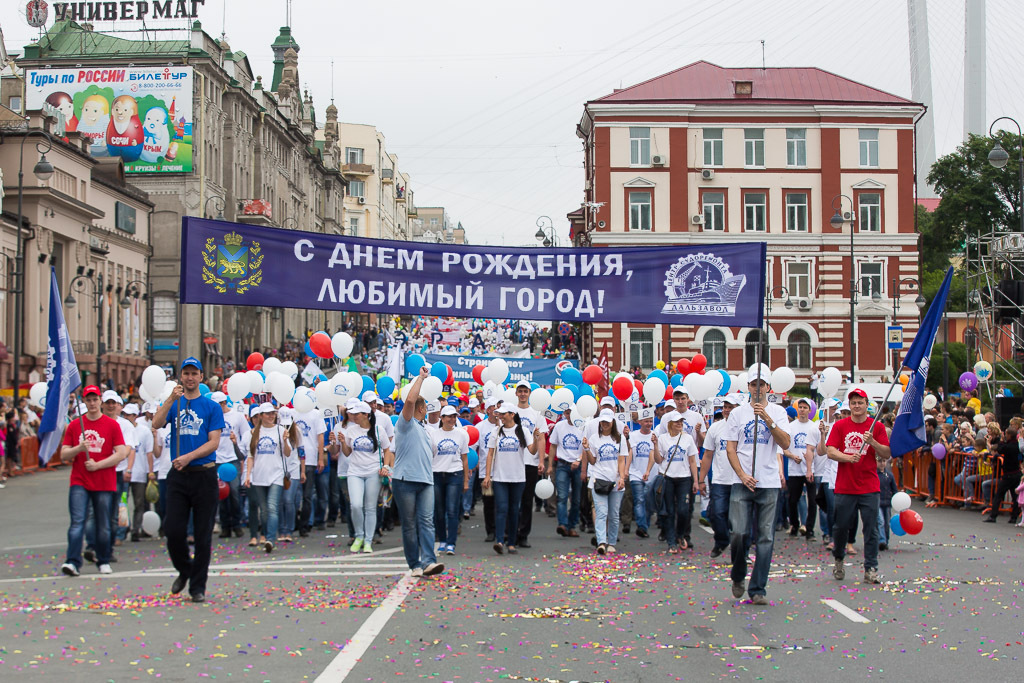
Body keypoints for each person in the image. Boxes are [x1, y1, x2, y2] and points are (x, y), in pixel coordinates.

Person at [151, 357, 225, 603]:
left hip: (203, 473)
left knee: (203, 535)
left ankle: (197, 587)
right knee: (173, 530)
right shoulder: (175, 403)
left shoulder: (211, 407)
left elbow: (213, 442)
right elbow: (156, 423)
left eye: (194, 373)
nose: (190, 378)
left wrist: (188, 456)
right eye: (186, 374)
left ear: (201, 377)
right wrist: (171, 399)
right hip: (179, 476)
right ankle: (185, 569)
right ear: (181, 377)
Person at [725, 365, 791, 605]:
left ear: (768, 387)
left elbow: (785, 443)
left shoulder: (778, 411)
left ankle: (758, 588)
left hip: (769, 482)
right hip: (742, 483)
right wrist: (742, 474)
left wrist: (768, 419)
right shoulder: (738, 414)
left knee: (766, 538)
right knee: (739, 533)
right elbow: (730, 448)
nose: (758, 388)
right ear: (748, 387)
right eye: (754, 384)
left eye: (762, 384)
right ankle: (738, 574)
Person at [59, 385, 128, 576]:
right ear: (84, 402)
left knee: (103, 523)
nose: (92, 403)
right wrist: (78, 449)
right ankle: (72, 561)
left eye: (95, 399)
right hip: (80, 480)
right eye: (88, 400)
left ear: (100, 401)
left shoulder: (112, 425)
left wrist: (99, 465)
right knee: (77, 522)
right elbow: (64, 454)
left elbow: (121, 452)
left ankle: (103, 559)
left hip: (104, 480)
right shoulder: (75, 425)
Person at [826, 388, 891, 585]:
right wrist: (847, 457)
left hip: (869, 486)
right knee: (841, 527)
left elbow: (886, 453)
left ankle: (871, 568)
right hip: (845, 486)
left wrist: (872, 442)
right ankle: (838, 559)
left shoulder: (876, 427)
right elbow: (830, 451)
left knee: (870, 529)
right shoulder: (840, 425)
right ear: (850, 405)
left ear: (866, 404)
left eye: (860, 402)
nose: (857, 406)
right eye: (853, 403)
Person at [392, 366, 444, 577]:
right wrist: (421, 378)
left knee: (426, 521)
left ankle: (429, 562)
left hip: (426, 481)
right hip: (404, 480)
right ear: (422, 409)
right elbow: (410, 401)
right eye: (425, 407)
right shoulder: (405, 424)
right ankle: (414, 564)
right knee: (409, 524)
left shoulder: (424, 429)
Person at [333, 400, 393, 554]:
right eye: (352, 413)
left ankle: (368, 540)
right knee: (356, 505)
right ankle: (359, 535)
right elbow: (347, 453)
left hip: (373, 472)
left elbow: (387, 450)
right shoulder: (351, 431)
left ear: (366, 415)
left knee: (370, 507)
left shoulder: (379, 430)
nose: (353, 416)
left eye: (356, 414)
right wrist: (342, 442)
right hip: (354, 472)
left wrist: (385, 466)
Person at [484, 403, 538, 555]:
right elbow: (490, 454)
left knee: (515, 510)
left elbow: (532, 451)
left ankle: (512, 543)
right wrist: (488, 475)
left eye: (503, 414)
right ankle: (500, 540)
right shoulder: (496, 431)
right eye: (499, 414)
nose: (500, 416)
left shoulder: (522, 431)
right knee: (501, 508)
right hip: (500, 477)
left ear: (512, 414)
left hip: (518, 477)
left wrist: (535, 438)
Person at [244, 403, 291, 553]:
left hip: (276, 474)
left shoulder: (281, 430)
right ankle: (266, 534)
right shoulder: (253, 433)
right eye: (268, 414)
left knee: (272, 507)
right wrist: (248, 475)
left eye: (273, 413)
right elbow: (251, 456)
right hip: (259, 475)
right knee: (263, 510)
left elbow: (288, 453)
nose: (271, 416)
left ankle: (270, 538)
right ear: (261, 416)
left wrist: (285, 440)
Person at [697, 394, 741, 558]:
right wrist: (701, 480)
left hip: (740, 480)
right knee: (715, 513)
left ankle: (740, 553)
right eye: (725, 407)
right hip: (720, 480)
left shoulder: (743, 427)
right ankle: (722, 540)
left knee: (738, 520)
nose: (727, 410)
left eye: (731, 407)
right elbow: (707, 455)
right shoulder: (715, 428)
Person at [583, 409, 629, 555]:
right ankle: (601, 541)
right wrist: (587, 449)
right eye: (602, 422)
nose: (605, 424)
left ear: (612, 423)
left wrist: (622, 477)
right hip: (599, 479)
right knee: (601, 512)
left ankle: (612, 542)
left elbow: (622, 459)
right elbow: (593, 460)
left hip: (615, 480)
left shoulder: (620, 439)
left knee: (614, 514)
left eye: (607, 422)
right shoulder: (594, 438)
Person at [654, 410, 698, 553]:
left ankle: (680, 535)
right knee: (669, 511)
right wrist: (655, 445)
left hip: (684, 478)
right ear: (670, 424)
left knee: (684, 510)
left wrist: (696, 481)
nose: (680, 424)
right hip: (668, 478)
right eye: (677, 422)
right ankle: (671, 541)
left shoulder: (688, 439)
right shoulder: (663, 439)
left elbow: (692, 460)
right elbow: (658, 460)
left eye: (681, 422)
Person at [430, 405, 470, 556]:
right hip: (437, 474)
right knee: (439, 511)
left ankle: (451, 543)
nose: (452, 419)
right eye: (449, 416)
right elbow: (429, 457)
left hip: (455, 474)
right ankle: (443, 540)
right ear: (442, 418)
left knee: (452, 510)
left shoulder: (461, 434)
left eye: (454, 416)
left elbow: (465, 458)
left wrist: (466, 481)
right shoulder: (434, 434)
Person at [513, 380, 548, 549]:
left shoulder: (537, 414)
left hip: (530, 462)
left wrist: (541, 460)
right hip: (513, 462)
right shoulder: (511, 412)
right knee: (514, 500)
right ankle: (511, 533)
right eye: (520, 391)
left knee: (527, 501)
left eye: (525, 391)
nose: (522, 394)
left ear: (529, 393)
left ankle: (523, 535)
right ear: (516, 393)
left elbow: (541, 438)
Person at [212, 391, 248, 539]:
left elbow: (246, 434)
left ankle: (237, 524)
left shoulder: (237, 416)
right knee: (221, 494)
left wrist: (239, 447)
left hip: (233, 459)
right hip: (217, 460)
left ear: (223, 403)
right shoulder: (212, 417)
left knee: (234, 493)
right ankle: (225, 526)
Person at [784, 398, 819, 540]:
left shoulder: (814, 427)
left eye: (805, 407)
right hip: (794, 469)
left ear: (810, 411)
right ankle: (794, 524)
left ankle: (809, 529)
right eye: (801, 407)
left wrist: (811, 456)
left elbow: (819, 448)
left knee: (812, 500)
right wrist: (793, 456)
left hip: (810, 469)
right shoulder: (791, 427)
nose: (803, 410)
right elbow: (783, 448)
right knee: (793, 500)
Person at [549, 405, 584, 538]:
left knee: (576, 499)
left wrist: (579, 460)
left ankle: (572, 526)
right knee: (562, 496)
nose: (569, 415)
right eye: (567, 413)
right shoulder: (559, 426)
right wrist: (550, 465)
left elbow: (587, 448)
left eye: (571, 413)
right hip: (563, 464)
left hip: (578, 465)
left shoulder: (582, 426)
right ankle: (562, 524)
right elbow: (553, 445)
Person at [294, 400, 327, 536]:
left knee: (307, 495)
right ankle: (294, 522)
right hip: (293, 460)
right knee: (294, 496)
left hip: (310, 459)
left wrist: (320, 458)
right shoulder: (291, 413)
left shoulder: (316, 414)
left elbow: (320, 437)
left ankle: (304, 525)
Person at [123, 403, 155, 542]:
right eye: (125, 414)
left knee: (139, 503)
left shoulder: (144, 431)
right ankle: (123, 529)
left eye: (129, 415)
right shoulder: (122, 428)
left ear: (136, 416)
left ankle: (136, 530)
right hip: (124, 471)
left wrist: (150, 471)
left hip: (140, 471)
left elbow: (149, 453)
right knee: (122, 503)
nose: (126, 417)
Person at [626, 408, 659, 539]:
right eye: (646, 421)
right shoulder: (633, 436)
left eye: (650, 421)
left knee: (649, 501)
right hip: (635, 474)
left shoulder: (654, 436)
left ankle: (646, 519)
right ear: (640, 422)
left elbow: (652, 455)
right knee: (639, 500)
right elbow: (629, 453)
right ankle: (642, 527)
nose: (649, 424)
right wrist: (626, 471)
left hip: (652, 474)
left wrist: (648, 471)